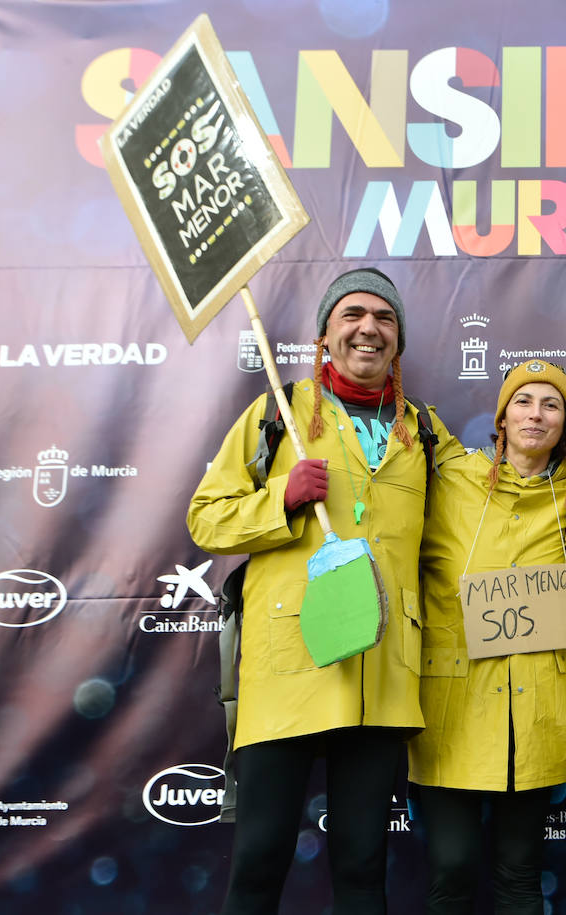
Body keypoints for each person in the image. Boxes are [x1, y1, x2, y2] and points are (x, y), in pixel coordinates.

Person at [188, 267, 457, 915]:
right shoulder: (275, 414)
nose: (369, 328)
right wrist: (280, 497)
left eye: (385, 318)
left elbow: (493, 500)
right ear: (326, 333)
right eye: (353, 315)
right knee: (259, 859)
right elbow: (205, 516)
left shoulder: (424, 431)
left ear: (399, 339)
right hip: (289, 671)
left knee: (364, 866)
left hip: (381, 673)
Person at [410, 359, 566, 915]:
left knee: (520, 874)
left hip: (538, 714)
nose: (535, 415)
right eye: (523, 401)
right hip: (453, 709)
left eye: (551, 405)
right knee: (451, 869)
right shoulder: (451, 477)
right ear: (501, 416)